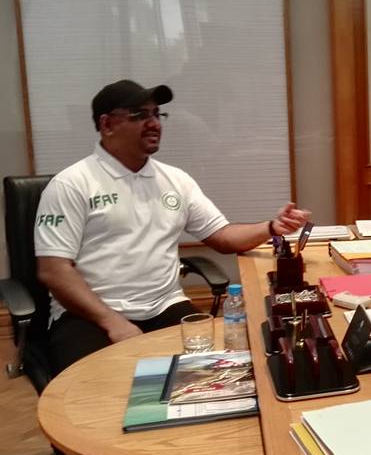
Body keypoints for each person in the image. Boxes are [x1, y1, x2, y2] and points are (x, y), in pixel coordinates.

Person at [34, 79, 311, 374]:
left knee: (220, 376)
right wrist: (112, 322)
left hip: (165, 307)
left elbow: (222, 236)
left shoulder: (175, 180)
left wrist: (272, 227)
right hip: (90, 316)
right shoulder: (71, 184)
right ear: (107, 124)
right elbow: (54, 270)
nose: (154, 123)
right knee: (97, 389)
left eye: (156, 114)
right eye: (140, 115)